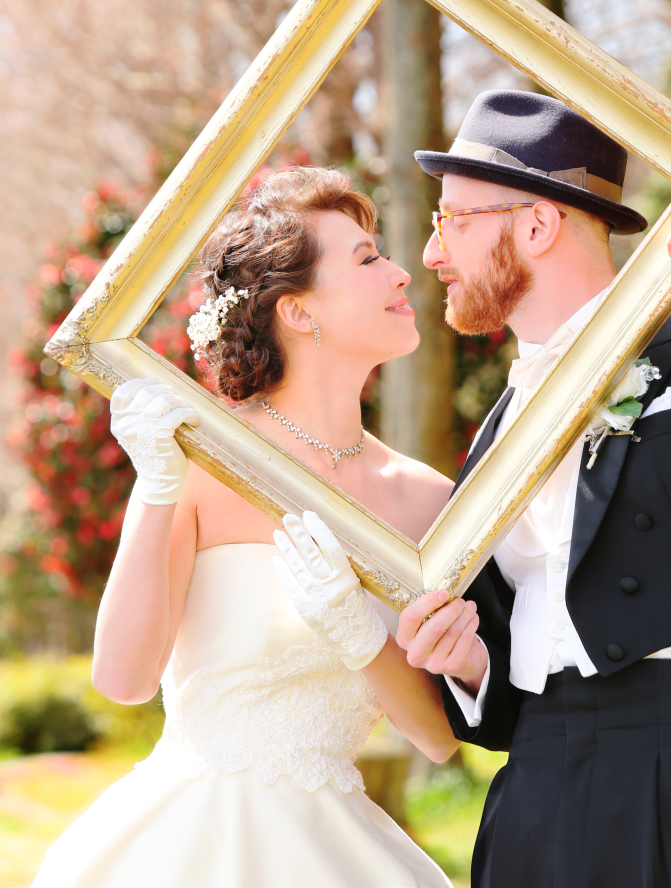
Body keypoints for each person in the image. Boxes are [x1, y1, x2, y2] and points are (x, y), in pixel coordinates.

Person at [395, 88, 671, 888]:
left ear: (537, 225)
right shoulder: (498, 431)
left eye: (453, 221)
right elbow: (514, 641)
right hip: (535, 775)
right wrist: (471, 665)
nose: (433, 254)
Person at [33, 166, 461, 888]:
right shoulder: (203, 459)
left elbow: (439, 738)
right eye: (367, 259)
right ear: (298, 311)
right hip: (187, 846)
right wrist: (156, 487)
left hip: (339, 853)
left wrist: (362, 635)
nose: (401, 273)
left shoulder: (426, 500)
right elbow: (123, 679)